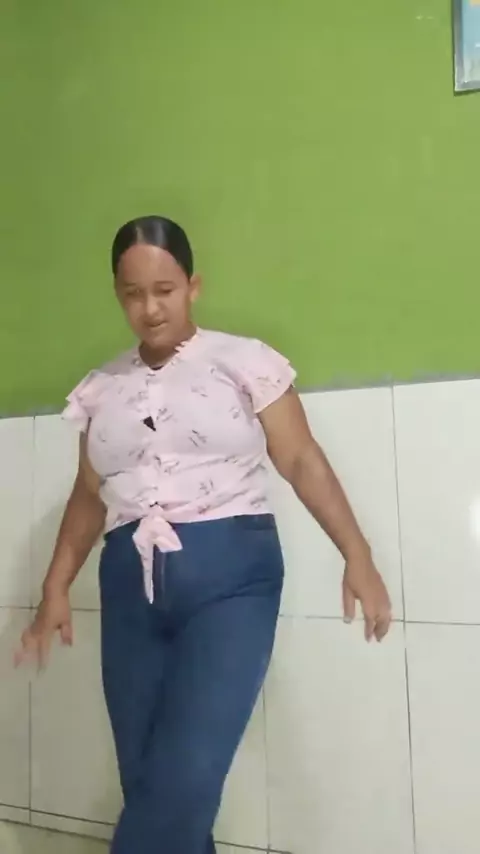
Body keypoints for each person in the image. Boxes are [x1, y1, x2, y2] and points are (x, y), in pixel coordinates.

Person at [16, 216, 391, 854]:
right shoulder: (103, 388)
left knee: (185, 779)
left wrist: (357, 554)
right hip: (130, 589)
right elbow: (87, 494)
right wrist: (55, 587)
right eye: (133, 294)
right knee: (148, 780)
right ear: (118, 296)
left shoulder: (244, 362)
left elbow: (301, 459)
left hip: (232, 581)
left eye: (164, 290)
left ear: (193, 286)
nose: (150, 308)